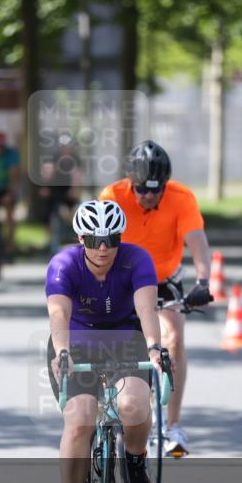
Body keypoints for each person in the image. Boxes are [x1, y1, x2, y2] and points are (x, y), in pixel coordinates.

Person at [46, 200, 164, 483]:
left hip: (127, 338)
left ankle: (135, 461)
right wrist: (63, 351)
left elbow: (146, 308)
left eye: (111, 239)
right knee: (80, 418)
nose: (103, 248)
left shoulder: (136, 259)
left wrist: (155, 347)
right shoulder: (63, 264)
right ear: (80, 238)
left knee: (133, 404)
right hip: (76, 342)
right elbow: (58, 315)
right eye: (95, 240)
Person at [98, 140, 212, 457]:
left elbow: (198, 244)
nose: (148, 196)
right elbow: (96, 244)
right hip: (120, 276)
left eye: (155, 190)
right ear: (130, 183)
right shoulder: (112, 196)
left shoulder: (181, 198)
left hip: (163, 277)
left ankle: (170, 426)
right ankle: (106, 401)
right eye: (142, 190)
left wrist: (203, 280)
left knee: (172, 337)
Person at [40, 134, 82, 250]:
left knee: (74, 212)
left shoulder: (75, 159)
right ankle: (49, 241)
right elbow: (49, 172)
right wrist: (45, 187)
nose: (66, 149)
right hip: (54, 189)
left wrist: (74, 190)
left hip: (68, 190)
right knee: (46, 212)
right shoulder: (55, 157)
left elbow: (76, 176)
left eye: (68, 147)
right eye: (64, 147)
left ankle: (74, 237)